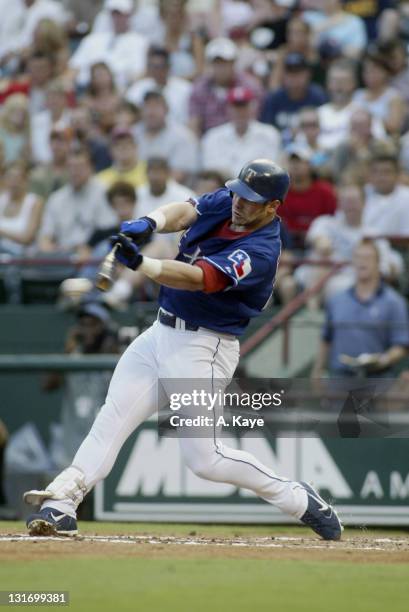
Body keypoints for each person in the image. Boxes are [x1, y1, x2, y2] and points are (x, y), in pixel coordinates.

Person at [24, 158, 342, 541]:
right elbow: (187, 212)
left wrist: (143, 263)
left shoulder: (261, 249)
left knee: (205, 460)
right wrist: (150, 222)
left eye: (251, 199)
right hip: (160, 332)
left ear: (273, 207)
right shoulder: (231, 200)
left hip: (204, 347)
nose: (239, 202)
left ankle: (299, 499)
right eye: (239, 193)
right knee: (112, 419)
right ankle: (61, 505)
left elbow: (199, 278)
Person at [311, 239, 409, 379]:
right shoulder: (336, 300)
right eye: (358, 257)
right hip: (341, 378)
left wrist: (383, 360)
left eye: (367, 257)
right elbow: (326, 339)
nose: (362, 262)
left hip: (378, 379)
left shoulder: (394, 302)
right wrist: (318, 370)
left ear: (378, 263)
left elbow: (401, 345)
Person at [38, 147, 116, 254]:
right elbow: (45, 237)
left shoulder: (103, 192)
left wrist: (87, 247)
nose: (75, 172)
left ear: (91, 168)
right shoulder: (56, 198)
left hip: (93, 253)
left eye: (80, 167)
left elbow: (108, 229)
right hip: (63, 254)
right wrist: (47, 247)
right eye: (71, 167)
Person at [201, 86, 281, 177]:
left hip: (257, 188)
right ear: (228, 109)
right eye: (236, 107)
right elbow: (210, 172)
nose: (240, 112)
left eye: (244, 107)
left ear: (253, 107)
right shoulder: (213, 136)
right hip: (223, 188)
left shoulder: (269, 134)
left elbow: (270, 170)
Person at [189, 37, 263, 135]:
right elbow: (194, 124)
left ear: (233, 62)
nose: (221, 68)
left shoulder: (250, 86)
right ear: (210, 64)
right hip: (210, 143)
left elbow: (255, 120)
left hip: (245, 140)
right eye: (217, 63)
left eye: (225, 63)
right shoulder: (199, 88)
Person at [69, 0, 148, 90]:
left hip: (119, 90)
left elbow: (139, 74)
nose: (117, 18)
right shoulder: (91, 40)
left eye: (121, 14)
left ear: (129, 15)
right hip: (85, 89)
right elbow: (74, 68)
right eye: (114, 14)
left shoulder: (139, 42)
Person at [260, 52, 327, 143]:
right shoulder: (274, 98)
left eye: (298, 73)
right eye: (290, 73)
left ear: (308, 74)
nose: (294, 78)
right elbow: (265, 129)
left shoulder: (317, 96)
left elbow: (325, 128)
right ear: (284, 76)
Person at [134, 91, 199, 184]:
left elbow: (178, 175)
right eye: (147, 107)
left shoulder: (183, 136)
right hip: (137, 190)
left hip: (172, 192)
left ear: (166, 109)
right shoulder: (133, 133)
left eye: (156, 107)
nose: (151, 112)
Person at [279, 144, 337, 246]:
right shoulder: (279, 192)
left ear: (310, 165)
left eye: (300, 162)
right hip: (285, 245)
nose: (295, 165)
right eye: (292, 162)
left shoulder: (325, 191)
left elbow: (332, 221)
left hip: (319, 243)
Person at [126, 46, 192, 126]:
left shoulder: (185, 88)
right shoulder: (138, 87)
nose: (157, 71)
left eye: (160, 67)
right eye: (153, 67)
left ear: (168, 67)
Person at [362, 149, 409, 238]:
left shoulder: (407, 197)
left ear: (397, 175)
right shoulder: (361, 194)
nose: (381, 177)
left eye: (387, 172)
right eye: (375, 172)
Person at [29, 125, 70, 200]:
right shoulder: (38, 173)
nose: (57, 145)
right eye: (53, 140)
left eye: (61, 140)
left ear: (69, 144)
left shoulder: (75, 171)